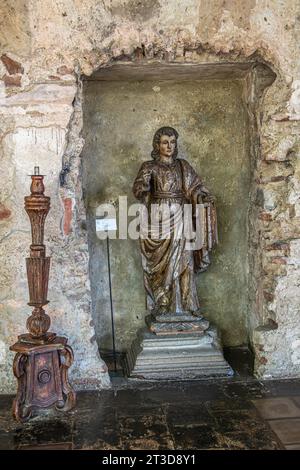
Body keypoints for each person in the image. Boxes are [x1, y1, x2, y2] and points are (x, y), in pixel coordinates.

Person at [133, 126, 217, 318]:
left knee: (185, 261)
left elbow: (195, 188)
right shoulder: (149, 167)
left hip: (182, 214)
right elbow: (139, 188)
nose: (169, 146)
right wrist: (143, 189)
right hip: (159, 216)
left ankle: (188, 305)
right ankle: (163, 302)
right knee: (161, 264)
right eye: (164, 142)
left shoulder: (183, 166)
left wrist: (203, 198)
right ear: (157, 145)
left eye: (172, 142)